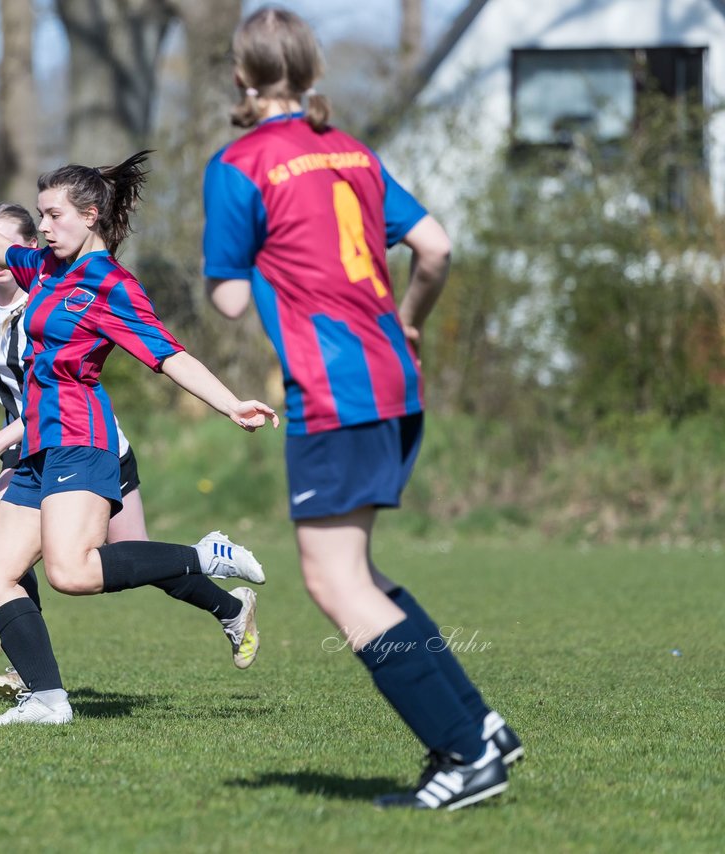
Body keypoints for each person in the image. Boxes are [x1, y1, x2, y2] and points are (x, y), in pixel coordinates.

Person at [200, 7, 521, 810]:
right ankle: (481, 729)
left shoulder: (240, 162)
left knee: (333, 581)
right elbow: (437, 246)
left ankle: (462, 755)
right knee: (359, 573)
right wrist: (410, 317)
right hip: (394, 380)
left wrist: (234, 269)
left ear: (241, 77)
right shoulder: (352, 152)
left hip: (333, 387)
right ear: (310, 72)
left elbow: (232, 301)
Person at [0, 151, 278, 726]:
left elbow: (168, 353)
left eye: (53, 216)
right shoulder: (47, 270)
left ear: (91, 215)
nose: (44, 227)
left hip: (83, 438)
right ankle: (48, 701)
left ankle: (206, 555)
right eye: (41, 216)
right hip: (36, 447)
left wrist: (231, 404)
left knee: (71, 572)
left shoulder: (111, 286)